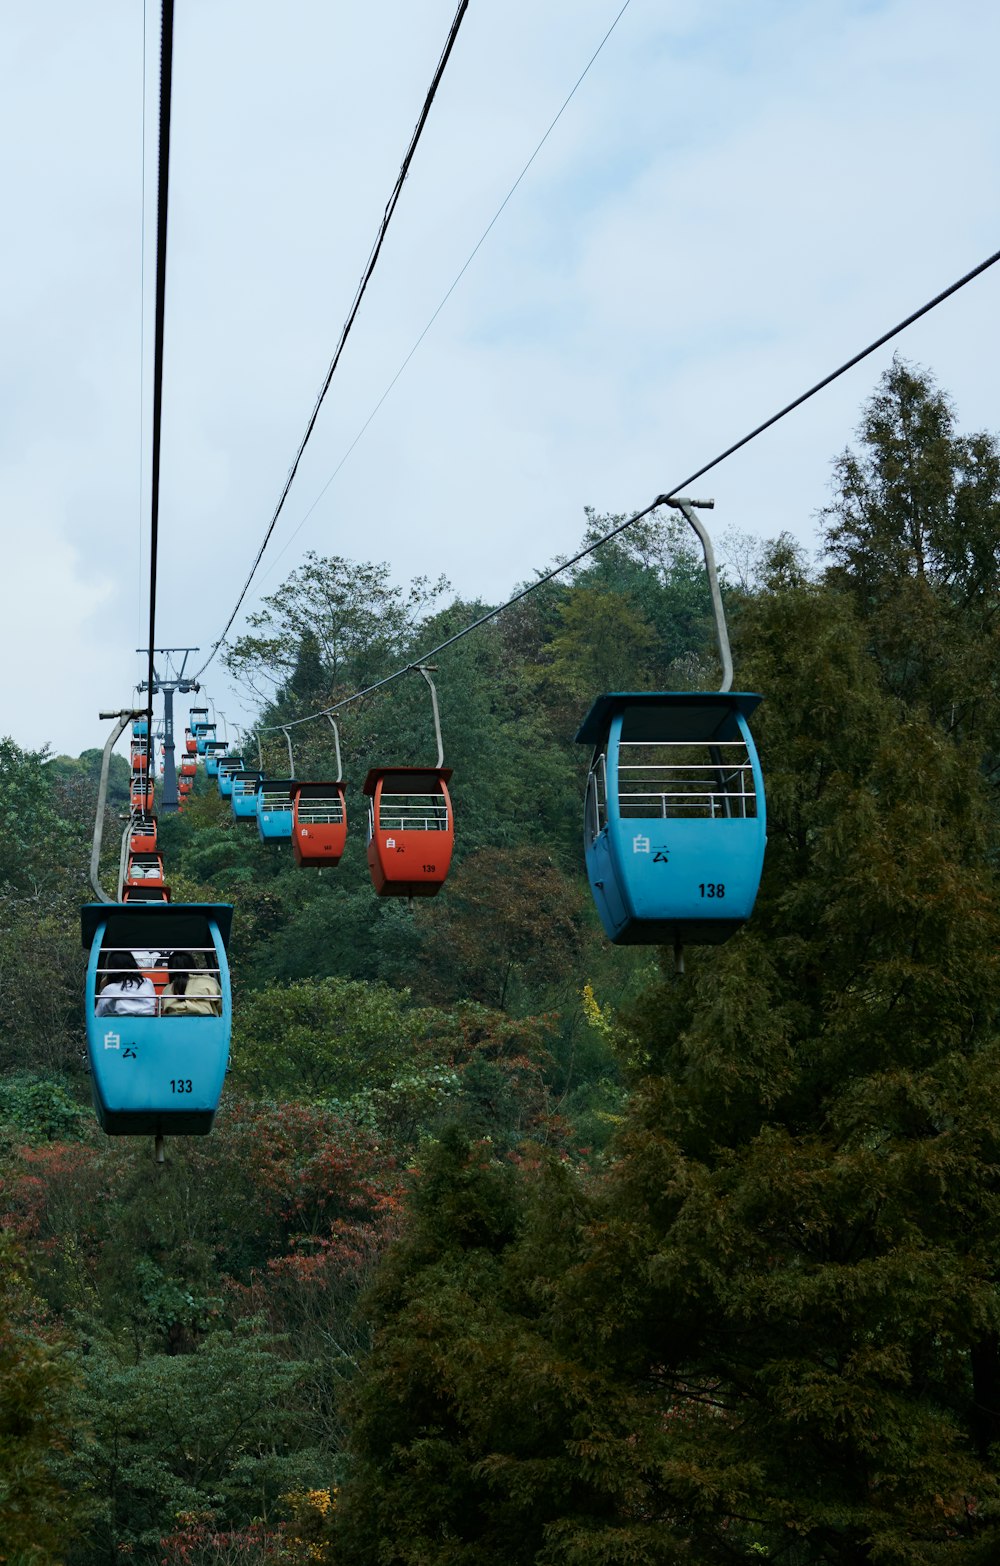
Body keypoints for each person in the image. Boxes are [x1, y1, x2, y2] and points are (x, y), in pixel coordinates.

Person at [160, 951, 223, 1017]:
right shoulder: (209, 982)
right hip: (208, 1024)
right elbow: (221, 1006)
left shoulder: (167, 990)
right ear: (192, 964)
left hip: (175, 1025)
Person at [96, 950, 157, 1017]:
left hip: (121, 1025)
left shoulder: (110, 989)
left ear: (111, 969)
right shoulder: (147, 983)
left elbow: (98, 1014)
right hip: (148, 1024)